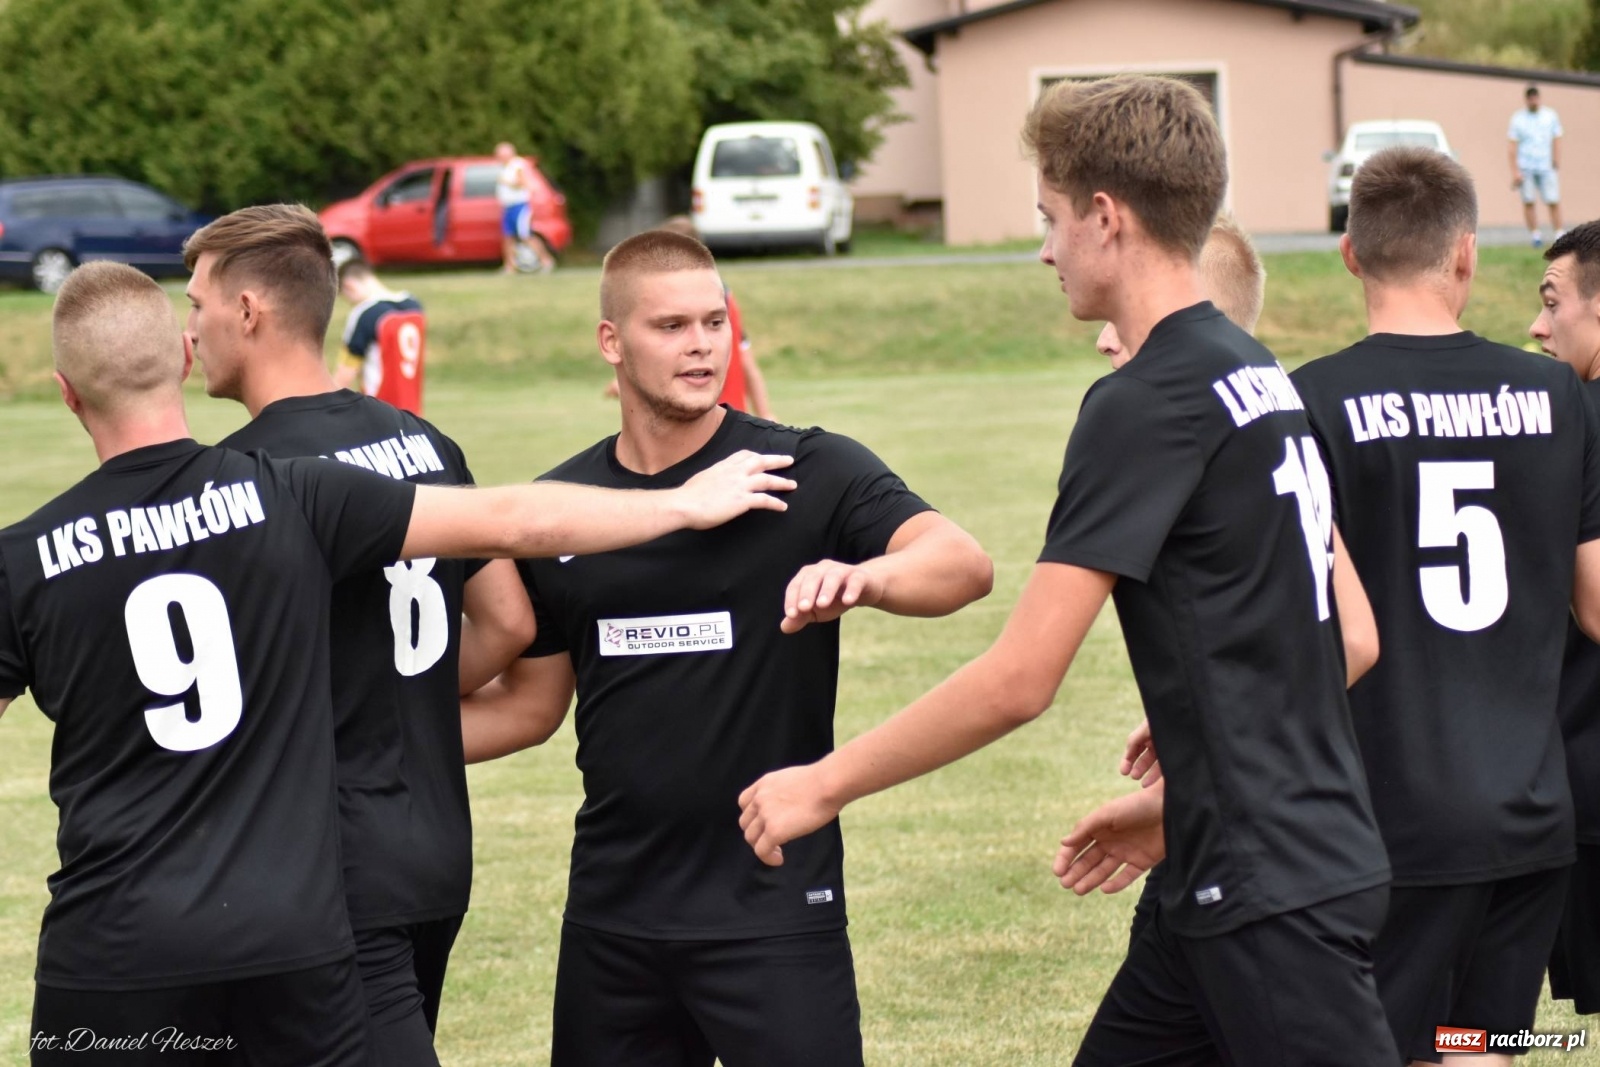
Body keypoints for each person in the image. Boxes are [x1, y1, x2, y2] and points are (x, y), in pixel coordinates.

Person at [737, 74, 1396, 1065]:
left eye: (1048, 219)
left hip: (1270, 888)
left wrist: (822, 783)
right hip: (1237, 864)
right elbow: (1345, 635)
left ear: (1105, 216)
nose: (1044, 249)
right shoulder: (1255, 372)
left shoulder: (1142, 398)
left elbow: (1019, 679)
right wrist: (1185, 791)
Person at [0, 262, 797, 1065]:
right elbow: (516, 521)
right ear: (181, 355)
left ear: (67, 392)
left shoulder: (21, 562)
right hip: (294, 946)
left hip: (109, 955)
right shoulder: (292, 496)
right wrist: (682, 502)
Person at [460, 228, 993, 1066]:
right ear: (611, 341)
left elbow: (962, 564)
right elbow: (530, 705)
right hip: (615, 914)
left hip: (775, 908)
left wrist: (867, 579)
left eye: (715, 321)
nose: (702, 345)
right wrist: (367, 744)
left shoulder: (804, 470)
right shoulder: (565, 509)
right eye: (670, 326)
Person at [184, 204, 519, 1064]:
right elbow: (510, 620)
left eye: (197, 305)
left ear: (249, 311)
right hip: (437, 847)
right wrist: (401, 699)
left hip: (331, 864)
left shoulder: (248, 478)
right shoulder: (423, 439)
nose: (190, 329)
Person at [1530, 219, 1600, 1020]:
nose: (1539, 325)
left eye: (1554, 302)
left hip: (1577, 785)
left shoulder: (1572, 424)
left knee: (1468, 1029)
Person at [603, 217, 776, 419]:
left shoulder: (713, 301)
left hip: (705, 419)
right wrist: (766, 414)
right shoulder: (722, 297)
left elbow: (744, 362)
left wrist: (765, 415)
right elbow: (748, 362)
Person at [335, 257, 427, 415]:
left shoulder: (365, 314)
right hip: (414, 413)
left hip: (379, 413)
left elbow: (346, 373)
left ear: (348, 285)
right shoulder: (414, 305)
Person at [1509, 85, 1564, 248]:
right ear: (1526, 100)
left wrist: (1556, 159)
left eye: (1536, 97)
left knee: (1553, 199)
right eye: (1530, 98)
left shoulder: (1550, 116)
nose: (1533, 101)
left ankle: (1559, 233)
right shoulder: (1518, 119)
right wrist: (1515, 171)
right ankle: (1535, 235)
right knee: (1529, 200)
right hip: (1526, 166)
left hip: (1546, 166)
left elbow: (1557, 138)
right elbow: (1512, 146)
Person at [495, 141, 554, 275]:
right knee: (507, 237)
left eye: (501, 154)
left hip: (519, 206)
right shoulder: (504, 167)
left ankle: (546, 261)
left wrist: (506, 182)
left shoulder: (518, 165)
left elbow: (523, 183)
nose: (499, 157)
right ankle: (509, 266)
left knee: (525, 235)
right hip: (508, 207)